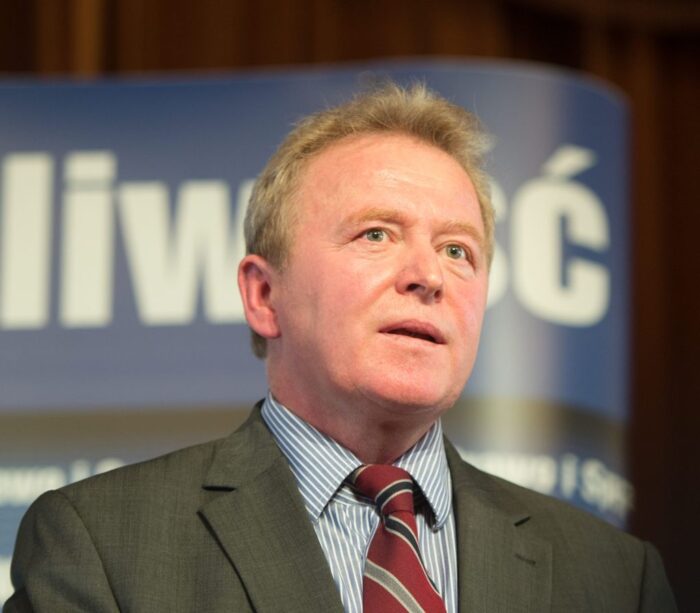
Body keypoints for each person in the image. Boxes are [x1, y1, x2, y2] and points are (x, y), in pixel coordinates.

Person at [5, 83, 676, 612]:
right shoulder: (101, 543)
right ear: (264, 295)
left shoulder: (615, 576)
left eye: (457, 250)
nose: (429, 275)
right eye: (376, 234)